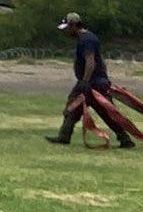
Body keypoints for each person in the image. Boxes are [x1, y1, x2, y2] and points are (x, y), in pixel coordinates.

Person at [48, 11, 133, 148]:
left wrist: (84, 82)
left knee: (73, 107)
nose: (66, 32)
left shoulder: (87, 40)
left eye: (68, 28)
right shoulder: (86, 38)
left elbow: (90, 61)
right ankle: (125, 139)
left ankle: (64, 137)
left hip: (93, 84)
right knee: (103, 112)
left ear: (74, 25)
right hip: (96, 83)